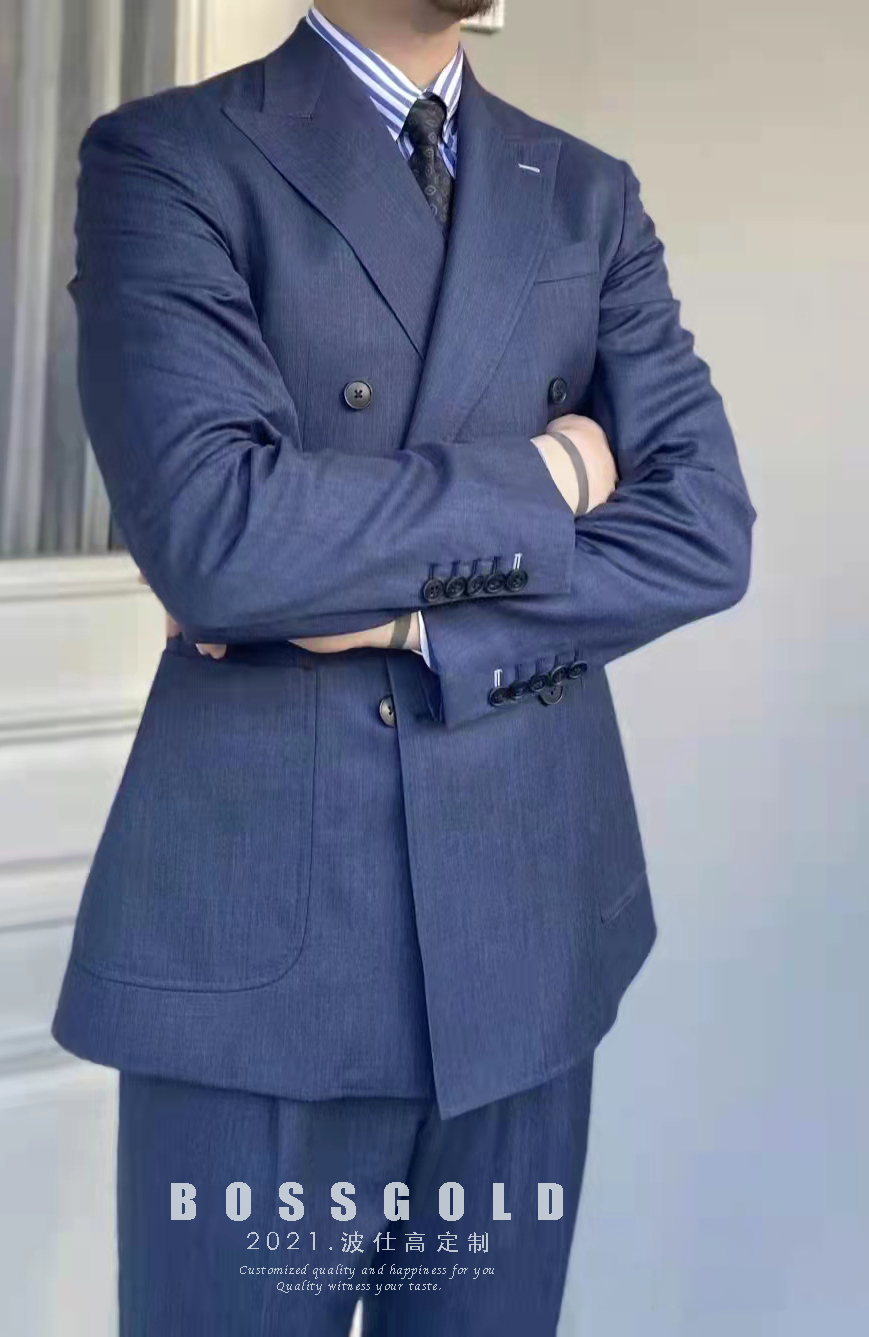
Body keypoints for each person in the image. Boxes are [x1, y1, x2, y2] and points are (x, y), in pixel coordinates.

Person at [51, 2, 757, 1332]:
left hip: (528, 919)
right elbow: (221, 541)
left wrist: (409, 625)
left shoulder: (584, 193)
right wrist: (554, 472)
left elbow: (702, 531)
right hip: (264, 934)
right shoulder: (169, 158)